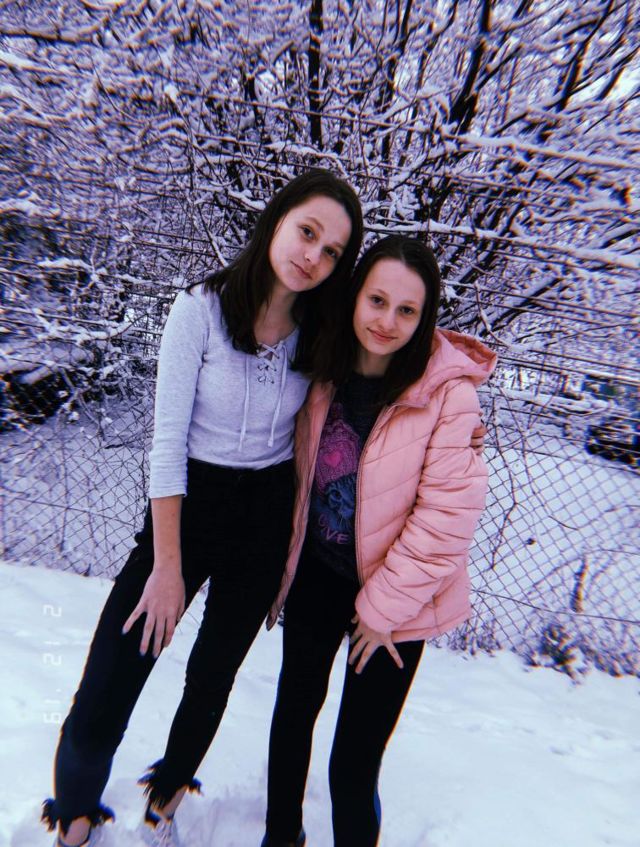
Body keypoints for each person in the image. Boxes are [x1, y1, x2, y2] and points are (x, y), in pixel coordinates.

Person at [41, 168, 365, 847]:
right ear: (277, 220)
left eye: (332, 250)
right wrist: (167, 566)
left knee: (213, 674)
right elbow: (166, 445)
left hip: (266, 516)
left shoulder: (321, 332)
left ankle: (166, 797)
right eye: (307, 232)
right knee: (116, 667)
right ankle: (74, 813)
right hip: (189, 509)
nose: (314, 255)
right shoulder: (201, 310)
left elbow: (393, 349)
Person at [260, 235, 497, 847]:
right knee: (292, 720)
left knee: (353, 763)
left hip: (400, 603)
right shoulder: (322, 363)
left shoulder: (449, 395)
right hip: (318, 574)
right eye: (377, 300)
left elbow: (446, 520)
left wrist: (381, 610)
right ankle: (280, 836)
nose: (387, 321)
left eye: (407, 310)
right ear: (355, 297)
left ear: (425, 318)